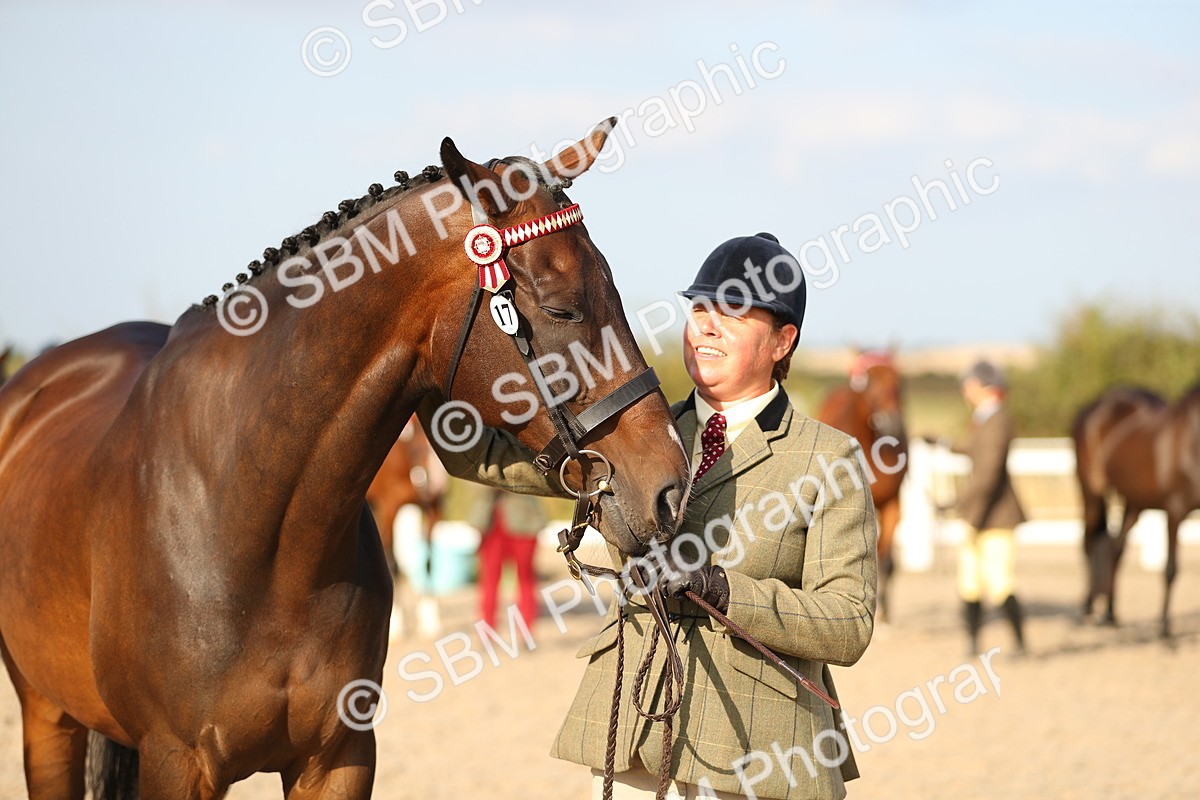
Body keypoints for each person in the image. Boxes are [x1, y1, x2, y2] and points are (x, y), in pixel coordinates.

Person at [422, 233, 877, 800]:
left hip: (758, 748)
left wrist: (721, 590)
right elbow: (478, 455)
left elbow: (849, 623)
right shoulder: (626, 436)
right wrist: (424, 358)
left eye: (733, 314)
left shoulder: (829, 458)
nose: (707, 327)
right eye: (700, 310)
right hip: (634, 737)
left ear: (782, 341)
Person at [952, 360, 1027, 656]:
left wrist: (959, 500)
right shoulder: (984, 418)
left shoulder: (998, 420)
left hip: (997, 514)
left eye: (969, 386)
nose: (965, 391)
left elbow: (989, 470)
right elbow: (975, 449)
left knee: (1000, 581)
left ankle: (1019, 642)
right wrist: (944, 443)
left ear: (985, 387)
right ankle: (973, 642)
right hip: (977, 512)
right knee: (969, 580)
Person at [469, 488, 547, 631]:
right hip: (491, 521)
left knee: (526, 578)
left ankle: (527, 629)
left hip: (524, 519)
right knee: (489, 580)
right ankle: (487, 630)